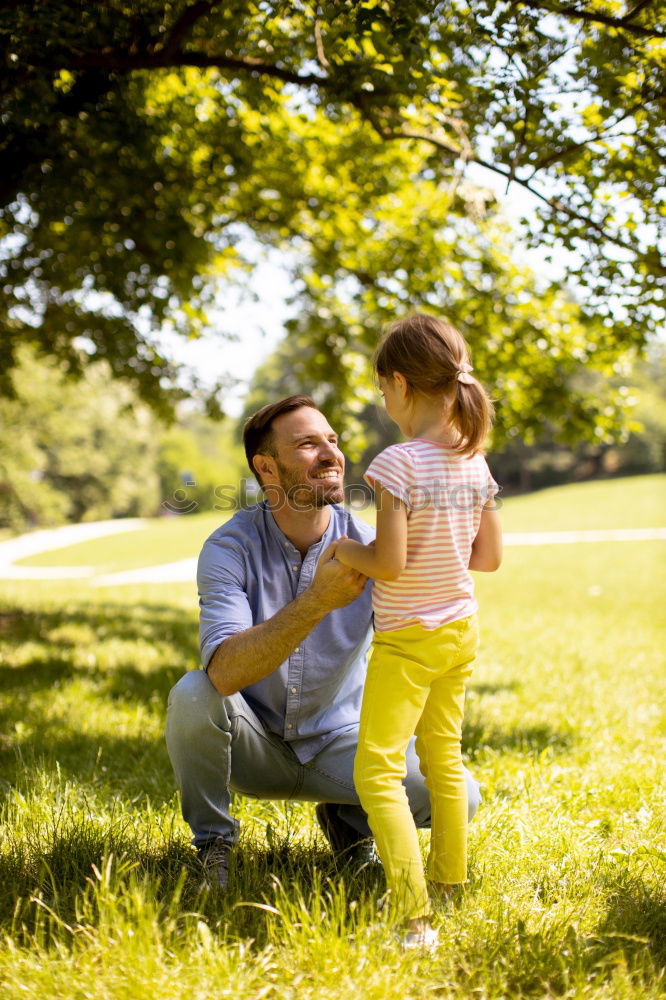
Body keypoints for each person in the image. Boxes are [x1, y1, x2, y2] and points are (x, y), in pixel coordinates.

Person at [165, 394, 481, 892]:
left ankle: (349, 824)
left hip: (343, 745)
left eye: (332, 440)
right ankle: (214, 848)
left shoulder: (375, 550)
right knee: (192, 694)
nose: (330, 454)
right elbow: (223, 674)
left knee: (459, 797)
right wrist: (317, 600)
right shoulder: (229, 548)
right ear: (266, 468)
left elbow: (423, 640)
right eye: (308, 444)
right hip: (256, 746)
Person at [331, 313, 502, 950]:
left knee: (376, 771)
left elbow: (389, 564)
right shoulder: (474, 462)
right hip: (461, 630)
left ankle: (414, 916)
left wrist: (346, 551)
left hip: (406, 639)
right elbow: (487, 560)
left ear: (400, 384)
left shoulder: (398, 464)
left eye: (381, 391)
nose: (383, 404)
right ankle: (450, 887)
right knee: (444, 758)